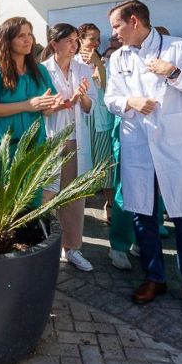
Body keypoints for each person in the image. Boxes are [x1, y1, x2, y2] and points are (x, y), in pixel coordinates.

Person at [102, 0, 182, 321]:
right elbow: (110, 98)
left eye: (116, 26)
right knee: (143, 216)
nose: (114, 33)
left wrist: (173, 72)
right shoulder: (118, 58)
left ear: (134, 21)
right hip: (138, 146)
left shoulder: (176, 48)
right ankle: (155, 278)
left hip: (174, 147)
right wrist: (129, 101)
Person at [76, 23, 133, 270]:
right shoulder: (75, 62)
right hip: (82, 121)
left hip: (101, 121)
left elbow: (107, 87)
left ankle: (109, 204)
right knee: (81, 165)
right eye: (91, 39)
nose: (95, 43)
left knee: (105, 164)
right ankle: (79, 206)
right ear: (79, 40)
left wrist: (99, 63)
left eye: (98, 39)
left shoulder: (105, 62)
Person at [41, 23, 95, 271]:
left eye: (76, 41)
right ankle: (43, 247)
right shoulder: (41, 71)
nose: (75, 45)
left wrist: (82, 96)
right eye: (70, 41)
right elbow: (42, 108)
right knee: (47, 196)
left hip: (75, 139)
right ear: (54, 44)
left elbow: (88, 107)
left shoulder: (82, 68)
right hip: (51, 139)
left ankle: (72, 248)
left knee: (74, 197)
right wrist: (66, 101)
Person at [0, 17, 59, 173]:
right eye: (21, 36)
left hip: (34, 149)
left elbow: (46, 110)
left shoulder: (40, 70)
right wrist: (27, 105)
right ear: (7, 40)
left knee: (33, 196)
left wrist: (51, 105)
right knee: (3, 195)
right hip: (4, 151)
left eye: (29, 34)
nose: (28, 40)